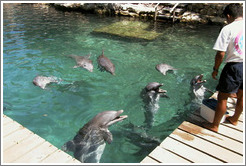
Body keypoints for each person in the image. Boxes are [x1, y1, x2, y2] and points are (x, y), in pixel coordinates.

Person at [203, 3, 243, 132]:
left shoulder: (228, 28)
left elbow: (221, 53)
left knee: (222, 97)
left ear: (229, 15)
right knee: (242, 95)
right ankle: (235, 119)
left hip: (234, 66)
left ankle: (215, 125)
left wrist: (215, 69)